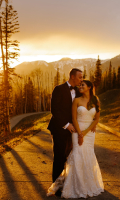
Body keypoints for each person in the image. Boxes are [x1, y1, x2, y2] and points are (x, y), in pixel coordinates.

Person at [47, 80, 104, 198]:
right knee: (77, 155)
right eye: (80, 83)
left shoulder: (96, 100)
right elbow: (74, 118)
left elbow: (96, 119)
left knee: (88, 156)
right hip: (77, 130)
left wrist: (86, 132)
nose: (80, 86)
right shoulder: (76, 100)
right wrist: (79, 134)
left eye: (83, 84)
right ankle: (75, 185)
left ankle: (88, 184)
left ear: (89, 87)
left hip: (89, 133)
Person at [47, 68, 83, 197]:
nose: (81, 79)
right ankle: (57, 187)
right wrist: (67, 125)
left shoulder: (79, 91)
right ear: (72, 77)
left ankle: (68, 183)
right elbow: (54, 110)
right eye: (80, 77)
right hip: (59, 129)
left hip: (73, 131)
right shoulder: (59, 89)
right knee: (59, 158)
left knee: (70, 157)